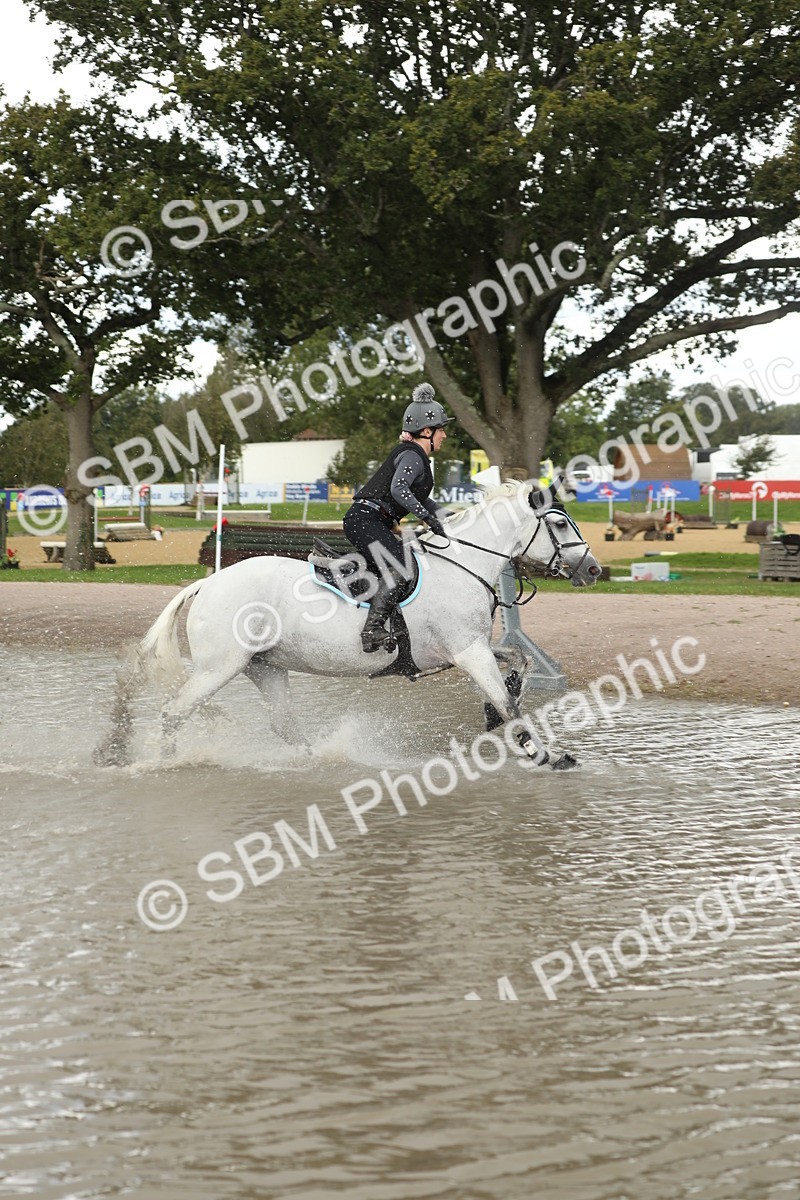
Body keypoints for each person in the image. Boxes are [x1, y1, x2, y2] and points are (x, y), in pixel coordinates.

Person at [343, 382, 455, 652]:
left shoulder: (415, 457)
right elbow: (399, 489)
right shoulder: (413, 455)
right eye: (442, 430)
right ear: (426, 432)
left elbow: (421, 497)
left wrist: (450, 520)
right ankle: (372, 629)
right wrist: (428, 518)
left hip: (368, 520)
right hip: (364, 520)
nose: (445, 436)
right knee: (402, 564)